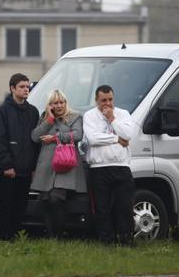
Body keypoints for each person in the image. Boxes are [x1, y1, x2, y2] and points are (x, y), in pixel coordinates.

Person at [83, 85, 137, 246]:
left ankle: (126, 239)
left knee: (125, 206)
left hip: (121, 166)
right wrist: (116, 139)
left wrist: (112, 118)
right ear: (96, 100)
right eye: (103, 100)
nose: (107, 103)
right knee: (102, 207)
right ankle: (107, 241)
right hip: (99, 168)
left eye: (110, 99)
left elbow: (128, 134)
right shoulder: (90, 116)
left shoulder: (123, 114)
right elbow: (92, 139)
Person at [0, 73, 40, 241]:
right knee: (5, 205)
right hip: (7, 171)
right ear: (12, 88)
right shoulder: (2, 111)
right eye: (22, 87)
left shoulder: (33, 112)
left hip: (26, 170)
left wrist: (33, 167)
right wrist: (7, 165)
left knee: (20, 206)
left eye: (28, 87)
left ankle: (14, 236)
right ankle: (0, 237)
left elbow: (35, 142)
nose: (26, 89)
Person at [31, 90, 86, 237]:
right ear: (50, 105)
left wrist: (56, 138)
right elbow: (35, 137)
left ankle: (59, 235)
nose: (60, 105)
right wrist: (49, 119)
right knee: (47, 200)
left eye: (62, 102)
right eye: (56, 103)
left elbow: (78, 135)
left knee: (56, 199)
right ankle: (51, 237)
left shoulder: (75, 117)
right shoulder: (45, 117)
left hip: (66, 165)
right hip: (47, 166)